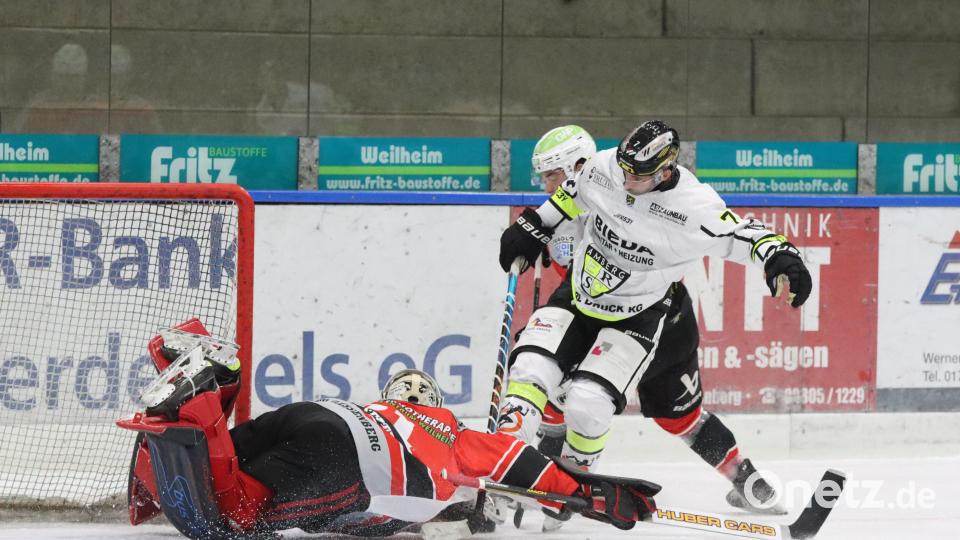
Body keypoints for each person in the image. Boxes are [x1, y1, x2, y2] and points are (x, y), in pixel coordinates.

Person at [497, 120, 813, 518]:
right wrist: (533, 225)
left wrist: (781, 258)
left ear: (665, 171)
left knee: (630, 408)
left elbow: (744, 234)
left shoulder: (693, 207)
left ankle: (739, 475)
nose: (625, 179)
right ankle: (505, 461)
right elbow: (568, 196)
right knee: (530, 369)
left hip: (648, 319)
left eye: (638, 174)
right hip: (580, 302)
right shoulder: (604, 166)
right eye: (623, 168)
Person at [118, 319, 659, 539]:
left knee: (227, 462)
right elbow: (514, 461)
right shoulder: (448, 430)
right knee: (233, 519)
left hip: (318, 413)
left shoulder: (379, 405)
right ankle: (200, 409)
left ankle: (210, 380)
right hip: (351, 461)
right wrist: (583, 489)